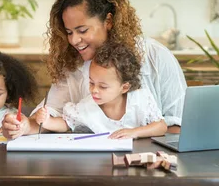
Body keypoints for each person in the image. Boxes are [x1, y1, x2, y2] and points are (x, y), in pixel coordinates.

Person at [2, 0, 186, 139]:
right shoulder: (72, 63)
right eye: (69, 32)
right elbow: (49, 118)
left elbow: (179, 125)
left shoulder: (156, 56)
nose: (73, 40)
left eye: (82, 31)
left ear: (109, 21)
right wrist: (25, 126)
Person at [35, 41, 167, 139]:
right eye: (91, 82)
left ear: (124, 87)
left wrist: (135, 132)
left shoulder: (140, 99)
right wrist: (47, 121)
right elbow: (66, 123)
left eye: (103, 86)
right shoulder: (88, 105)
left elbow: (161, 127)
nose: (94, 90)